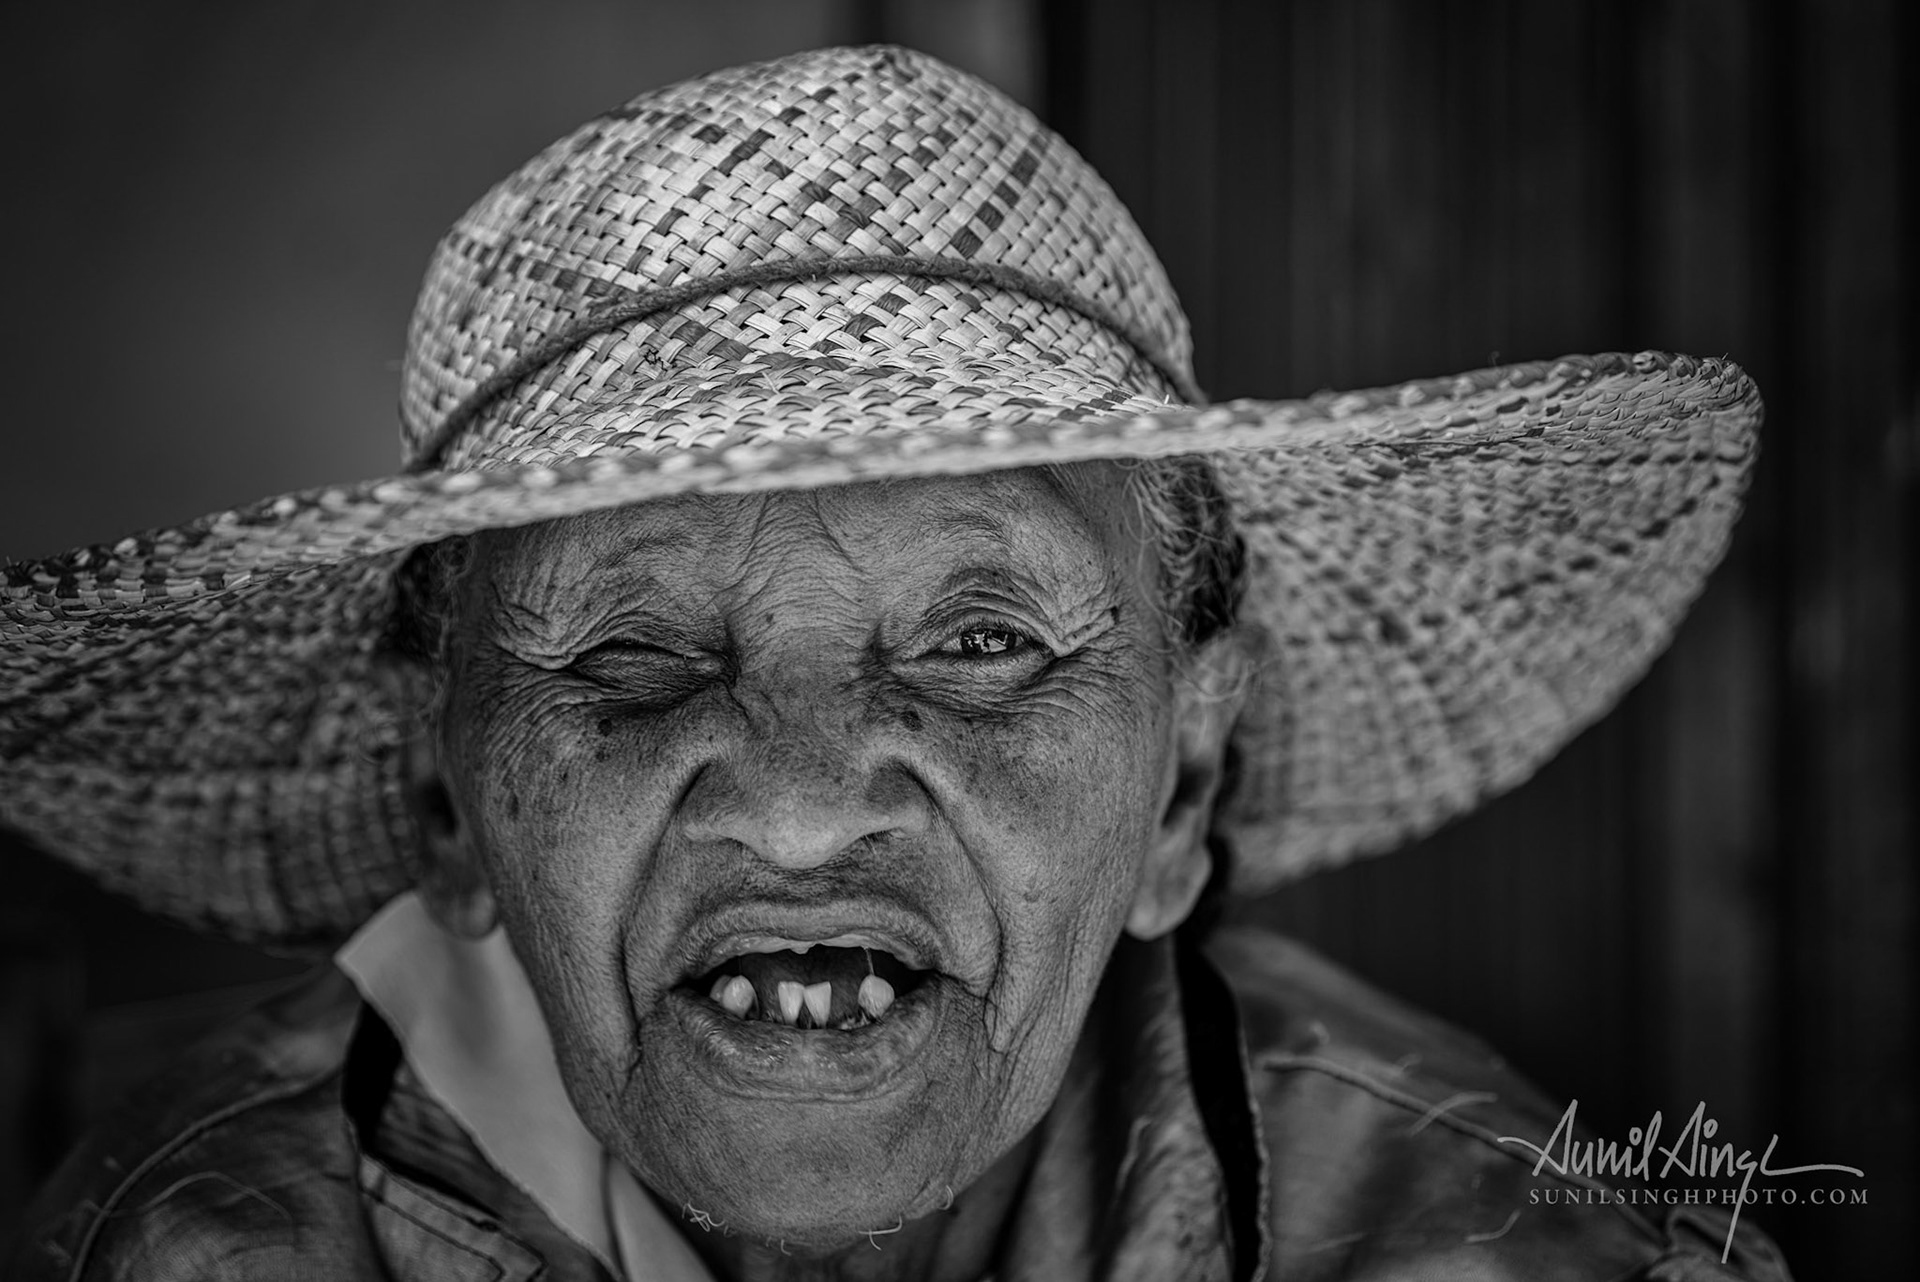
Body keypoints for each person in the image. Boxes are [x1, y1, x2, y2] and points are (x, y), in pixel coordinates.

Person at [2, 45, 1787, 1281]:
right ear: (443, 800)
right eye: (630, 652)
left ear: (1182, 782)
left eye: (987, 640)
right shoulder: (175, 1246)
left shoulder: (1534, 1243)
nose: (793, 809)